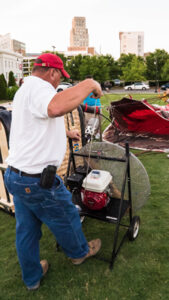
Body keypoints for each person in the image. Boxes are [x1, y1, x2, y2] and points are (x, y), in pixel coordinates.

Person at [4, 53, 102, 291]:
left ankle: (32, 278)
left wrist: (65, 134)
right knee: (66, 215)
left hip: (15, 176)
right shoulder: (40, 88)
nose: (59, 82)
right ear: (53, 72)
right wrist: (89, 84)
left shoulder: (25, 90)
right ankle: (79, 252)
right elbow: (56, 107)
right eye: (60, 77)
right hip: (37, 180)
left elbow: (33, 125)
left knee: (26, 231)